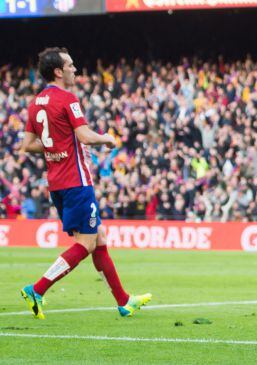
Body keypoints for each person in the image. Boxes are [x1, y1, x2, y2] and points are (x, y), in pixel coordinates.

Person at [19, 47, 151, 319]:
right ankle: (38, 288)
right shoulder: (68, 98)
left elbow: (27, 145)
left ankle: (124, 301)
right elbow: (85, 136)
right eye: (70, 65)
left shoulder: (36, 103)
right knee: (87, 243)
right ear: (58, 71)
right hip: (76, 181)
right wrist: (106, 138)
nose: (74, 69)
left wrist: (58, 147)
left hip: (57, 182)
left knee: (99, 238)